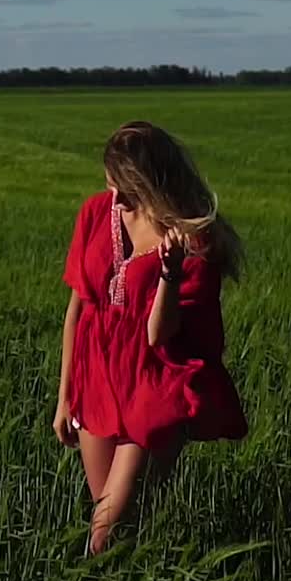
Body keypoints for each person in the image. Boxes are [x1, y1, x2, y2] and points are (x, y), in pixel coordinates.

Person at [53, 121, 248, 556]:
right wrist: (65, 396)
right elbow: (77, 309)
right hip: (97, 375)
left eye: (126, 190)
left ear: (152, 184)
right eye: (110, 186)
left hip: (154, 385)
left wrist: (169, 274)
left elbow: (159, 335)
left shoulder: (194, 241)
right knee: (112, 530)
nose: (116, 200)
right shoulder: (96, 213)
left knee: (106, 534)